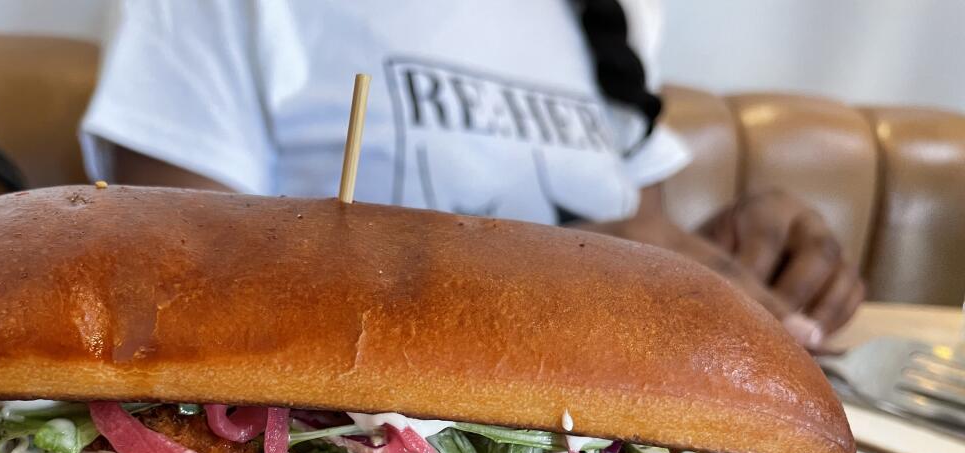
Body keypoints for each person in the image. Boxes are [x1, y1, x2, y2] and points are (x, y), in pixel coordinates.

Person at [81, 0, 865, 347]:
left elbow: (630, 234)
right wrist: (546, 273)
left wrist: (729, 254)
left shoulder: (617, 15)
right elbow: (167, 289)